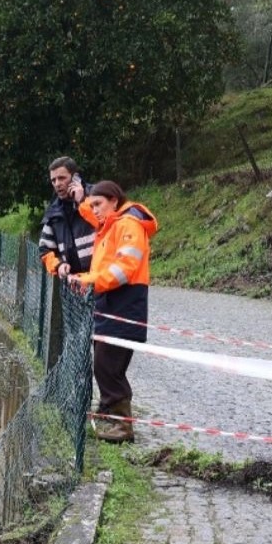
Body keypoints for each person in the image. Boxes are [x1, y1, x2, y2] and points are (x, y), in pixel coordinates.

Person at [67, 180, 158, 443]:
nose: (93, 210)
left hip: (124, 304)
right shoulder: (110, 226)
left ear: (114, 202)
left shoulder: (128, 226)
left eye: (99, 204)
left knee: (109, 367)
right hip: (109, 303)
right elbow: (91, 211)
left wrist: (91, 282)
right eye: (92, 205)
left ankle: (122, 425)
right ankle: (110, 414)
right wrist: (83, 197)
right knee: (104, 364)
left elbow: (125, 268)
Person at [39, 156, 96, 279]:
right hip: (73, 285)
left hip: (100, 280)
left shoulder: (96, 196)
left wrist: (82, 201)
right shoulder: (53, 213)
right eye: (53, 180)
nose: (57, 184)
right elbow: (44, 249)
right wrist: (59, 265)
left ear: (75, 177)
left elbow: (108, 224)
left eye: (61, 178)